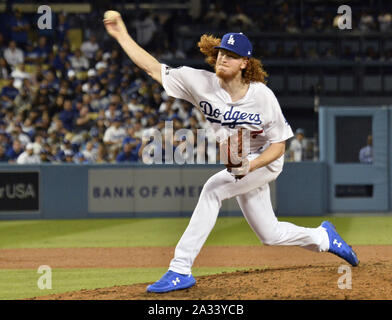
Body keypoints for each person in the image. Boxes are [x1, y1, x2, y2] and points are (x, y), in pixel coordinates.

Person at [104, 11, 359, 293]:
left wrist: (250, 166)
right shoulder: (198, 82)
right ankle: (324, 237)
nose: (224, 58)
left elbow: (279, 146)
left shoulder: (262, 96)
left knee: (213, 189)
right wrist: (122, 36)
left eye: (232, 55)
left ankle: (180, 268)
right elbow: (152, 68)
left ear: (244, 63)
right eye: (222, 52)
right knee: (269, 234)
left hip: (264, 160)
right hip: (237, 160)